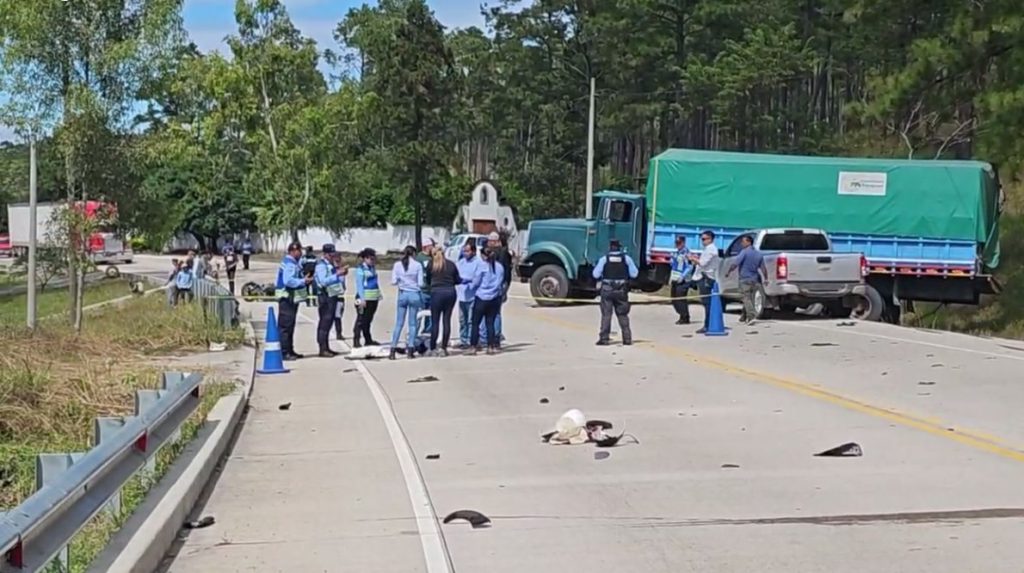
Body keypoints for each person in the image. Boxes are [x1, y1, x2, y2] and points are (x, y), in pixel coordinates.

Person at [593, 238, 639, 346]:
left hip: (607, 290)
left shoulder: (604, 259)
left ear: (610, 247)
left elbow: (595, 274)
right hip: (621, 290)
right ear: (620, 247)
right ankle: (627, 339)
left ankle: (604, 339)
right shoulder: (626, 259)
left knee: (606, 315)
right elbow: (634, 274)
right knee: (622, 315)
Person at [275, 241, 313, 360]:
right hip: (287, 298)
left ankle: (290, 350)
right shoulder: (290, 264)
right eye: (299, 251)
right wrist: (303, 281)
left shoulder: (292, 263)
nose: (301, 253)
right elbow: (288, 281)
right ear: (293, 251)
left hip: (290, 298)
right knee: (286, 327)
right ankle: (285, 352)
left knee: (290, 326)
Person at [389, 246, 424, 360]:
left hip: (403, 293)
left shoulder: (397, 265)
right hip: (414, 294)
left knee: (399, 323)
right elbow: (421, 283)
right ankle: (410, 349)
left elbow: (393, 282)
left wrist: (402, 280)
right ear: (414, 253)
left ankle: (393, 349)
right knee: (412, 324)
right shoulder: (417, 265)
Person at [469, 247, 505, 355]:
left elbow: (476, 282)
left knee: (475, 323)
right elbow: (501, 282)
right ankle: (490, 346)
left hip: (481, 297)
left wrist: (471, 286)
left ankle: (473, 346)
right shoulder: (499, 267)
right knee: (490, 323)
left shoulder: (482, 266)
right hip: (494, 297)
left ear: (484, 256)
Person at [725, 234, 768, 325]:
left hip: (745, 278)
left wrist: (728, 272)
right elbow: (763, 268)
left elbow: (736, 263)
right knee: (749, 297)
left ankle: (751, 316)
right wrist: (766, 278)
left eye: (743, 241)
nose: (741, 243)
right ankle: (743, 316)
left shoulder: (744, 252)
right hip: (754, 279)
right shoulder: (758, 254)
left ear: (749, 242)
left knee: (745, 297)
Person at [425, 246, 461, 356]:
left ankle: (432, 347)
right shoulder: (451, 264)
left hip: (437, 293)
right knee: (446, 320)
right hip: (450, 292)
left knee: (435, 321)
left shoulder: (431, 265)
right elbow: (457, 280)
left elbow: (427, 280)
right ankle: (444, 348)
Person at [314, 243, 347, 357]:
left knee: (329, 323)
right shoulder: (321, 265)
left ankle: (327, 347)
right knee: (324, 323)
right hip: (325, 297)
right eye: (330, 254)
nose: (333, 256)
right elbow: (323, 281)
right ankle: (322, 349)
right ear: (325, 254)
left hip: (332, 296)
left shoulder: (330, 264)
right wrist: (337, 275)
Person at [482, 231, 513, 344]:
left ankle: (496, 336)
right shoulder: (486, 252)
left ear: (498, 241)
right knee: (487, 313)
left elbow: (507, 271)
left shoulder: (503, 254)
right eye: (489, 240)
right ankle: (487, 337)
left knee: (496, 313)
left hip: (499, 284)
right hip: (487, 285)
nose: (491, 243)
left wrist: (505, 288)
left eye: (493, 241)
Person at [688, 230, 720, 334]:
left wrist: (692, 258)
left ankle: (707, 325)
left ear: (710, 239)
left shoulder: (711, 250)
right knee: (706, 303)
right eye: (701, 239)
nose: (702, 241)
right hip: (703, 277)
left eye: (704, 239)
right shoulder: (708, 249)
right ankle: (707, 324)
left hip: (706, 278)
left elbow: (703, 263)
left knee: (707, 303)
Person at [456, 240, 484, 348]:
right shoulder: (461, 262)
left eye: (467, 251)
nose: (465, 253)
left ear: (473, 251)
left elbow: (478, 278)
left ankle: (472, 341)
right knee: (462, 320)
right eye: (464, 251)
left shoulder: (478, 263)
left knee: (471, 321)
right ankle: (463, 340)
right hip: (461, 295)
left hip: (473, 296)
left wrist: (470, 281)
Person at [352, 248, 382, 347]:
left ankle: (368, 340)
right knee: (360, 320)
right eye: (370, 259)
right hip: (364, 298)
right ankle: (356, 341)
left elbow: (374, 283)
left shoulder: (372, 268)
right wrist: (362, 299)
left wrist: (379, 294)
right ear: (365, 258)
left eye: (373, 259)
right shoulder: (361, 269)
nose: (372, 261)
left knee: (368, 320)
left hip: (373, 298)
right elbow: (360, 285)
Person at [669, 235, 693, 325]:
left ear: (683, 243)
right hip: (675, 278)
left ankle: (685, 317)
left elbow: (689, 267)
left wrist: (683, 276)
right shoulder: (676, 252)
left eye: (679, 243)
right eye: (676, 243)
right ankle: (681, 314)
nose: (677, 245)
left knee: (680, 299)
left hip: (683, 280)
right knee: (674, 298)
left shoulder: (686, 253)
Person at [416, 238, 437, 337]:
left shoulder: (434, 257)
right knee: (419, 313)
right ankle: (415, 334)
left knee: (431, 313)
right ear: (426, 246)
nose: (433, 248)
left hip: (432, 290)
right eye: (431, 246)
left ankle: (428, 332)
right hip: (422, 290)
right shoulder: (419, 258)